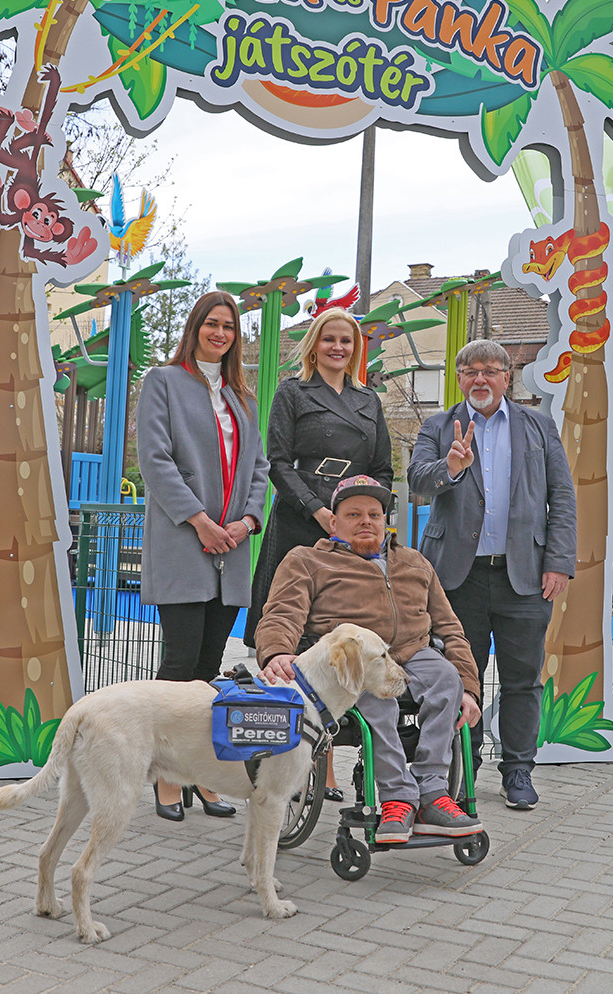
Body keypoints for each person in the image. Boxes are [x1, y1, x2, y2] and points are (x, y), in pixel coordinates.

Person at [255, 474, 483, 844]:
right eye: (354, 514)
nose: (366, 521)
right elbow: (281, 614)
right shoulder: (307, 561)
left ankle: (432, 793)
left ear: (384, 521)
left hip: (413, 653)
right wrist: (278, 651)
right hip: (356, 659)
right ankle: (398, 797)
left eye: (374, 515)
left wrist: (469, 689)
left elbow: (450, 628)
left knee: (447, 680)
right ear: (333, 522)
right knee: (368, 688)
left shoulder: (415, 562)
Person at [408, 340, 576, 811]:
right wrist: (450, 468)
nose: (479, 379)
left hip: (525, 576)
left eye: (489, 370)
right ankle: (465, 769)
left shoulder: (538, 426)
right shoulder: (437, 426)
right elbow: (417, 482)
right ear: (459, 378)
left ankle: (518, 770)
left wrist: (559, 561)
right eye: (470, 371)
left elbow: (562, 496)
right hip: (456, 579)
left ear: (507, 377)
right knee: (462, 678)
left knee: (523, 678)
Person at [244, 306, 392, 801]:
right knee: (299, 639)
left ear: (356, 348)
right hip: (299, 521)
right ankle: (295, 764)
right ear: (314, 344)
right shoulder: (292, 392)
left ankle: (326, 769)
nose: (338, 348)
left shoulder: (369, 400)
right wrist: (317, 510)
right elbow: (277, 462)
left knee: (338, 637)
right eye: (329, 339)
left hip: (351, 525)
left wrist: (363, 515)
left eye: (346, 341)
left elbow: (384, 470)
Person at [136, 290, 269, 821]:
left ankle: (203, 774)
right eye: (212, 323)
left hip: (231, 549)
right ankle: (166, 776)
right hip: (184, 542)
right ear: (195, 328)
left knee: (210, 670)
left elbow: (258, 470)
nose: (220, 333)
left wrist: (246, 522)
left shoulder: (243, 399)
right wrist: (200, 521)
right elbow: (155, 459)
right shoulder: (163, 382)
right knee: (179, 663)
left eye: (229, 327)